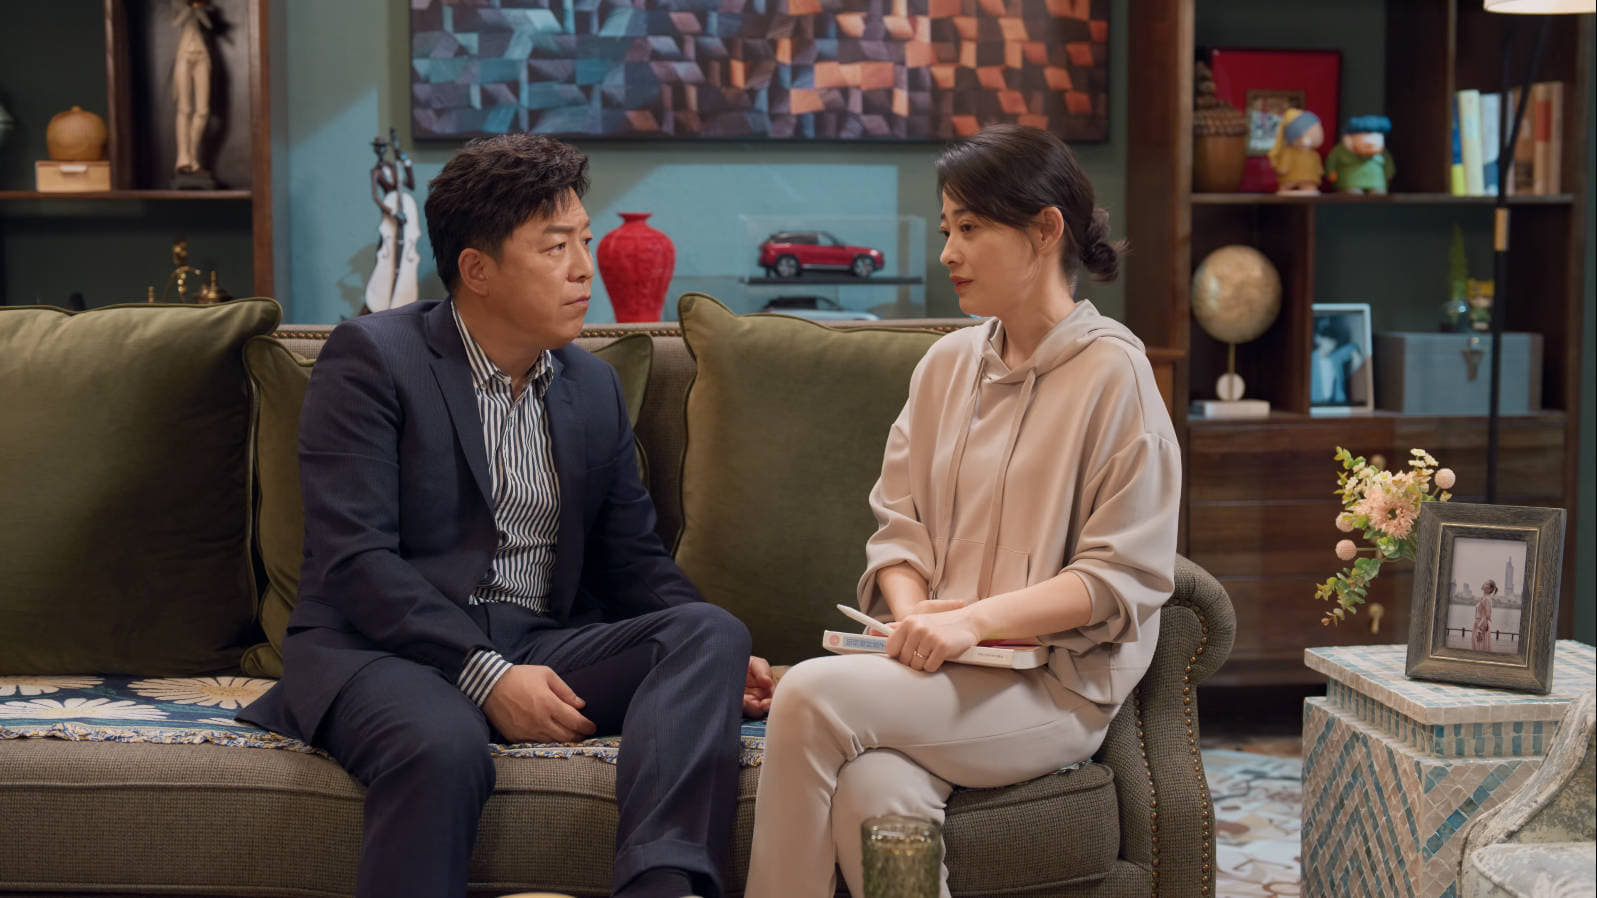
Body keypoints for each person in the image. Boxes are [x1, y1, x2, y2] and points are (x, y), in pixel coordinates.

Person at [237, 133, 773, 898]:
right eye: (555, 247)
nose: (583, 268)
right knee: (442, 745)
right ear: (477, 270)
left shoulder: (588, 386)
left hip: (540, 640)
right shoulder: (372, 358)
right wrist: (487, 676)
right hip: (380, 649)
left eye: (584, 241)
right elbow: (357, 561)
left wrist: (721, 664)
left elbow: (634, 562)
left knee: (710, 632)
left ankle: (663, 886)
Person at [744, 124, 1181, 898]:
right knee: (874, 791)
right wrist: (916, 618)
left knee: (809, 695)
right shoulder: (943, 365)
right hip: (941, 673)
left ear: (1044, 230)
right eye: (948, 229)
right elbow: (899, 532)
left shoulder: (1114, 375)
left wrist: (971, 623)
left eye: (970, 228)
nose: (947, 251)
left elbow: (1120, 577)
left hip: (1052, 689)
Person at [1474, 579, 1498, 651]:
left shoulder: (1487, 599)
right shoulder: (1484, 598)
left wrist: (1479, 628)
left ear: (1490, 589)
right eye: (1485, 583)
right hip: (1478, 623)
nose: (1484, 583)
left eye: (1486, 584)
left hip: (1481, 625)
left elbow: (1487, 616)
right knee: (1477, 647)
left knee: (1480, 648)